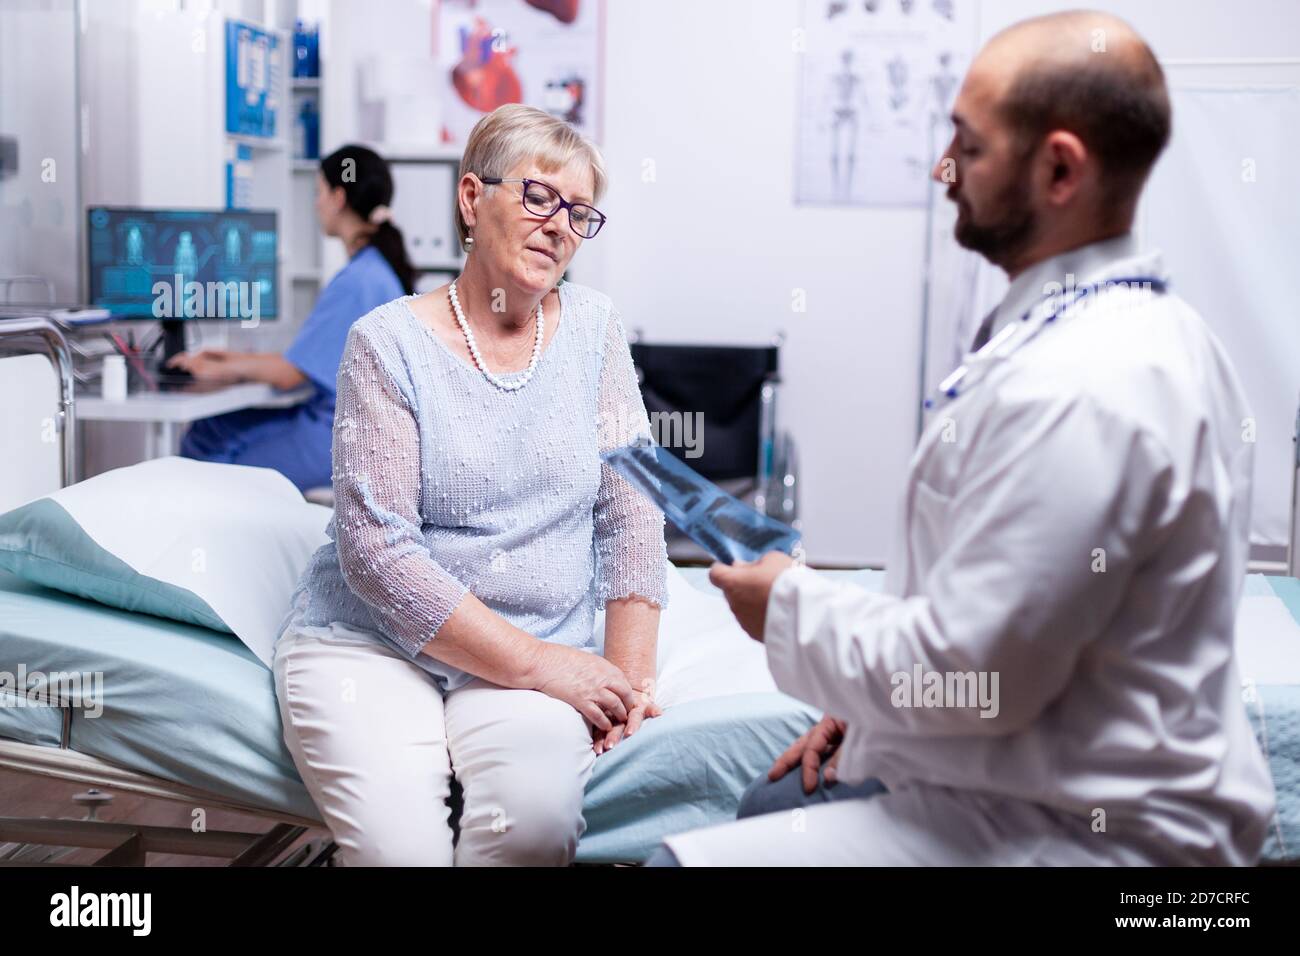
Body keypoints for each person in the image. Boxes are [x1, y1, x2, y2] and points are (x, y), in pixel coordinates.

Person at [646, 10, 1276, 867]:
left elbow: (976, 682)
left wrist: (788, 604)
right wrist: (870, 707)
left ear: (1059, 169)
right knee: (771, 798)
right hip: (1029, 762)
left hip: (1089, 839)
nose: (943, 171)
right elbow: (997, 605)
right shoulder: (1100, 328)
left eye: (968, 147)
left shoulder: (1089, 384)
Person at [272, 104, 669, 866]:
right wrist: (541, 664)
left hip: (537, 645)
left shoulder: (593, 329)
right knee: (400, 851)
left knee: (534, 824)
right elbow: (377, 553)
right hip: (373, 645)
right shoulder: (385, 342)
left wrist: (627, 682)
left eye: (580, 212)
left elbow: (633, 513)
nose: (560, 225)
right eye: (538, 196)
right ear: (470, 199)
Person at [171, 145, 413, 491]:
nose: (316, 204)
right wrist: (228, 359)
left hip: (336, 433)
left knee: (211, 457)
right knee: (212, 429)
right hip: (350, 423)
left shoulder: (357, 281)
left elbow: (290, 376)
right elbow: (304, 364)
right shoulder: (376, 270)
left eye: (319, 193)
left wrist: (222, 368)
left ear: (338, 196)